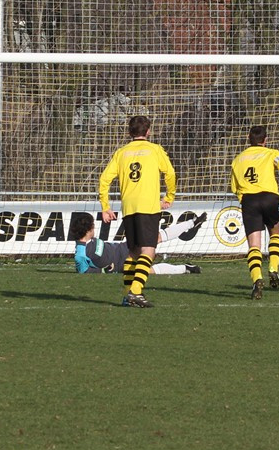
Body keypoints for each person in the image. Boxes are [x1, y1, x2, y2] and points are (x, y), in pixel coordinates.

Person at [99, 115, 176, 308]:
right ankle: (135, 291)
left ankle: (127, 295)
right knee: (148, 251)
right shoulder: (155, 150)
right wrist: (169, 196)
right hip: (148, 207)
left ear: (129, 132)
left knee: (133, 252)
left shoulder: (121, 153)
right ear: (148, 131)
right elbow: (170, 173)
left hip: (129, 208)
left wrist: (105, 206)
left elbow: (104, 180)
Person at [230, 125, 279, 299]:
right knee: (275, 233)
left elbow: (234, 186)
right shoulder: (272, 153)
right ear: (265, 140)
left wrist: (242, 198)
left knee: (254, 245)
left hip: (249, 200)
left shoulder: (238, 159)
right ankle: (273, 268)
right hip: (269, 197)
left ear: (249, 139)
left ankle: (257, 280)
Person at [72, 213, 206, 276]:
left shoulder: (89, 240)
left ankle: (193, 223)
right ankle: (186, 268)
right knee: (147, 270)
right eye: (93, 226)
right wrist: (103, 270)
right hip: (122, 264)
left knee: (156, 238)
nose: (94, 228)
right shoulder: (80, 253)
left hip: (125, 247)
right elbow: (83, 272)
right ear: (88, 229)